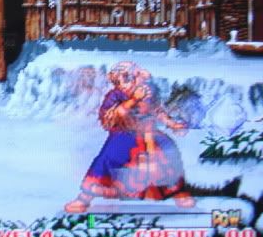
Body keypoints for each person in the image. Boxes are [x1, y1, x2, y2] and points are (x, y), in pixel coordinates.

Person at [64, 61, 194, 213]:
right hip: (124, 133)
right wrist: (133, 100)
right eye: (118, 80)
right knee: (110, 155)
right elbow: (113, 115)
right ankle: (84, 198)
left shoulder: (147, 91)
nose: (123, 83)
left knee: (167, 150)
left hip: (148, 132)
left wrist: (172, 124)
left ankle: (178, 193)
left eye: (127, 78)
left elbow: (157, 111)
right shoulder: (114, 95)